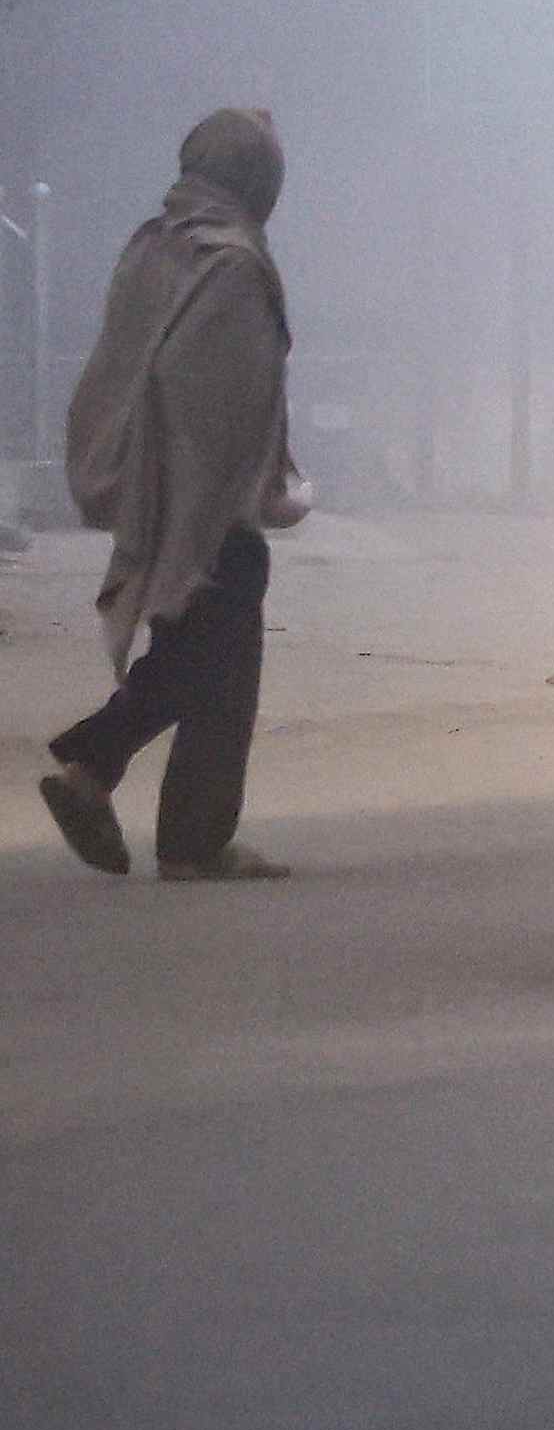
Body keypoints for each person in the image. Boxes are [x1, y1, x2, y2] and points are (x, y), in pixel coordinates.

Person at [40, 110, 304, 882]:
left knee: (212, 656)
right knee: (211, 656)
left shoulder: (152, 246)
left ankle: (192, 836)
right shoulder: (232, 264)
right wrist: (243, 488)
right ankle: (101, 767)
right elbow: (218, 393)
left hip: (150, 487)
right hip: (205, 499)